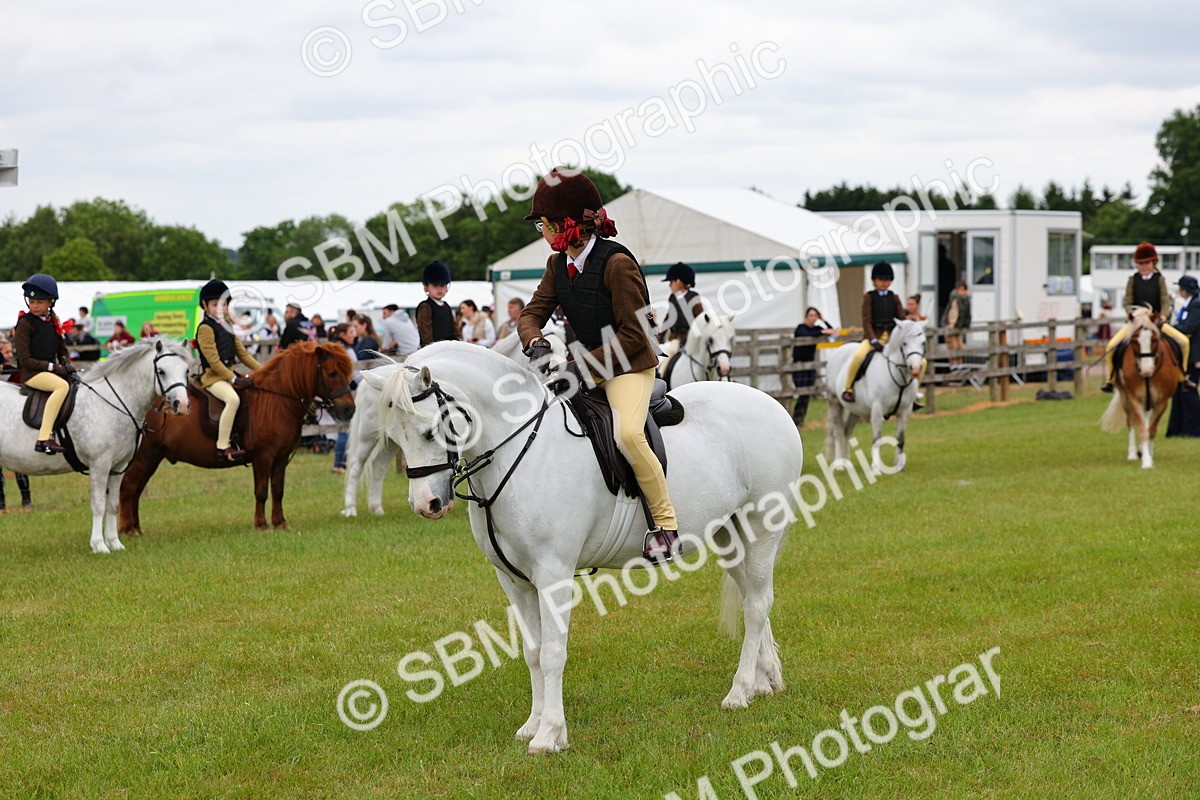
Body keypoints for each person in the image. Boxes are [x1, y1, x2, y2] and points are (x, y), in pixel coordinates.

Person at [517, 167, 680, 563]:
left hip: (629, 368)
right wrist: (534, 340)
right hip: (586, 368)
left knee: (627, 434)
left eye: (542, 223)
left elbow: (635, 335)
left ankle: (666, 527)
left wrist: (579, 368)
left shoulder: (617, 264)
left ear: (563, 225)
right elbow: (530, 314)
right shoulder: (557, 266)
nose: (540, 230)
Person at [1102, 242, 1193, 392]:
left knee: (1183, 342)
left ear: (1153, 263)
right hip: (1136, 322)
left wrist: (1163, 315)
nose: (1144, 266)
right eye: (1140, 264)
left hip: (1155, 321)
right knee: (1111, 346)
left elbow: (1165, 299)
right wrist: (1133, 314)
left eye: (1147, 263)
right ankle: (1110, 380)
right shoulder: (1133, 279)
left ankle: (1182, 377)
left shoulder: (1159, 279)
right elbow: (1128, 301)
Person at [195, 279, 262, 462]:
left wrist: (265, 371)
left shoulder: (227, 325)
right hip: (213, 379)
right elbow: (214, 361)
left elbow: (243, 354)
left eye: (223, 304)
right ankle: (222, 447)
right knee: (232, 400)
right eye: (214, 304)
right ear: (205, 306)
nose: (219, 308)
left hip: (229, 375)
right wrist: (232, 379)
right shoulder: (205, 329)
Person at [12, 273, 74, 454]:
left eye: (39, 301)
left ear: (50, 302)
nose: (34, 305)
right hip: (31, 374)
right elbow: (25, 360)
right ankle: (44, 438)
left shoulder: (53, 320)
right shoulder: (25, 324)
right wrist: (52, 367)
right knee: (61, 387)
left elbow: (61, 348)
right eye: (31, 302)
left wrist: (65, 362)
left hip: (49, 371)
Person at [841, 262, 907, 404]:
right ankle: (848, 388)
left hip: (891, 339)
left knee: (917, 361)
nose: (885, 283)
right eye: (881, 280)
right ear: (874, 281)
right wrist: (873, 340)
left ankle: (911, 394)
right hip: (874, 337)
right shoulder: (869, 297)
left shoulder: (894, 298)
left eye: (887, 280)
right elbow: (866, 321)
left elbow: (902, 319)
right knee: (858, 356)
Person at [1167, 275, 1200, 437]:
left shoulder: (1196, 305)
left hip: (1193, 356)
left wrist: (1169, 329)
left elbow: (1190, 328)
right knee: (1180, 392)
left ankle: (1194, 429)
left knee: (1189, 392)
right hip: (1184, 355)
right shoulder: (1189, 305)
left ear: (1185, 290)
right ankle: (1177, 428)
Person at [791, 307, 835, 427]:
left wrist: (823, 320)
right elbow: (806, 334)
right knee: (801, 391)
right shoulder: (801, 328)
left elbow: (831, 331)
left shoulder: (817, 328)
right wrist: (822, 332)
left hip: (811, 364)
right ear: (806, 316)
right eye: (811, 315)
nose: (813, 318)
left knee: (807, 393)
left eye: (815, 315)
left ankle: (800, 420)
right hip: (798, 364)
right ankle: (795, 419)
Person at [329, 323, 358, 473]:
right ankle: (339, 464)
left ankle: (343, 462)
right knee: (344, 427)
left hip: (342, 391)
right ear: (342, 334)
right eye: (351, 332)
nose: (354, 334)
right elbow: (352, 374)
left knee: (346, 427)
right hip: (345, 392)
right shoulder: (344, 350)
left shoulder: (338, 347)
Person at [660, 262, 706, 351]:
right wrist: (660, 336)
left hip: (689, 340)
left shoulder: (693, 298)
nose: (669, 285)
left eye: (671, 282)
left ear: (679, 282)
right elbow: (668, 318)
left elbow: (700, 319)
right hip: (672, 339)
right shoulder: (672, 297)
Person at [415, 261, 459, 347]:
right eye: (435, 285)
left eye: (442, 285)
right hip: (433, 351)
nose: (439, 289)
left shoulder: (446, 306)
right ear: (426, 287)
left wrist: (460, 345)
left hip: (450, 349)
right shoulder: (425, 307)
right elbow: (426, 336)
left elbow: (455, 331)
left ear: (447, 287)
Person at [942, 281, 971, 367]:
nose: (963, 292)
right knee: (953, 346)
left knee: (959, 346)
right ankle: (954, 365)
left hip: (958, 326)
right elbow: (953, 312)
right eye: (961, 290)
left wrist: (966, 324)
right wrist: (951, 323)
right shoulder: (956, 298)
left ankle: (959, 364)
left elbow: (967, 314)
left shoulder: (965, 300)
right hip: (952, 326)